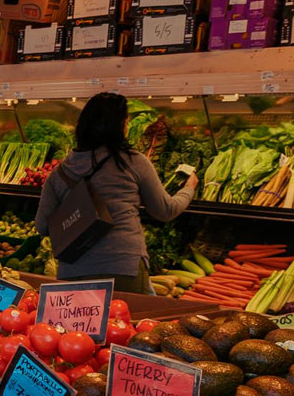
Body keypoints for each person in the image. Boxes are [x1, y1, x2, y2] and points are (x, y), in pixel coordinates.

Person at [35, 93, 197, 294]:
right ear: (120, 127)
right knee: (128, 324)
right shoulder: (133, 162)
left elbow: (42, 226)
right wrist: (188, 188)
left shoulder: (60, 173)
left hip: (72, 271)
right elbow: (165, 210)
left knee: (78, 326)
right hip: (122, 268)